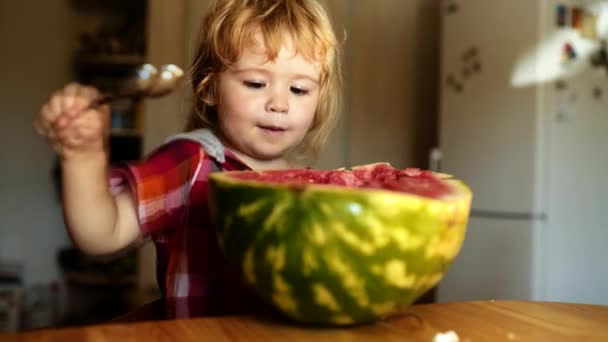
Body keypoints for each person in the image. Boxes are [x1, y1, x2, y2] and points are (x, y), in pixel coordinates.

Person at [33, 0, 342, 319]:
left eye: (300, 89)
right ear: (209, 89)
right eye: (256, 83)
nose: (280, 103)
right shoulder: (192, 163)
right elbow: (100, 234)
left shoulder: (310, 186)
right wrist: (82, 154)